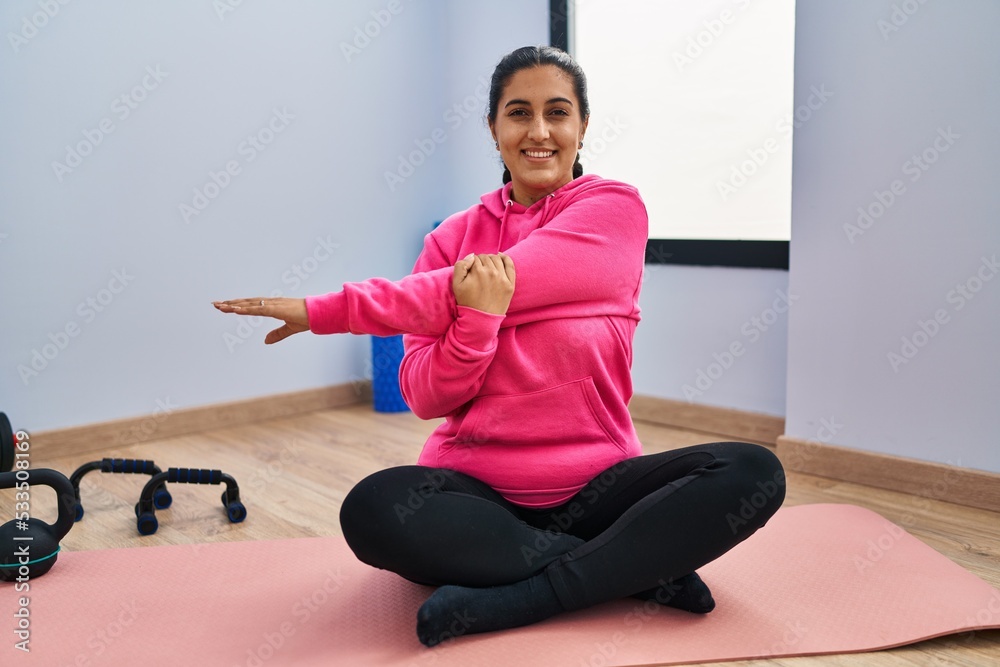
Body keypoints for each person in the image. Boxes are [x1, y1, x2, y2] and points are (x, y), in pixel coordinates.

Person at [214, 45, 785, 647]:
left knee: (753, 472)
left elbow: (491, 283)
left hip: (599, 489)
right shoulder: (450, 240)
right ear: (494, 129)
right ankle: (630, 568)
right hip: (476, 495)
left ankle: (529, 594)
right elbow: (425, 395)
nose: (539, 131)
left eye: (557, 112)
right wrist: (478, 320)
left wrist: (326, 310)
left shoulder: (611, 210)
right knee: (373, 509)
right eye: (518, 113)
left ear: (583, 126)